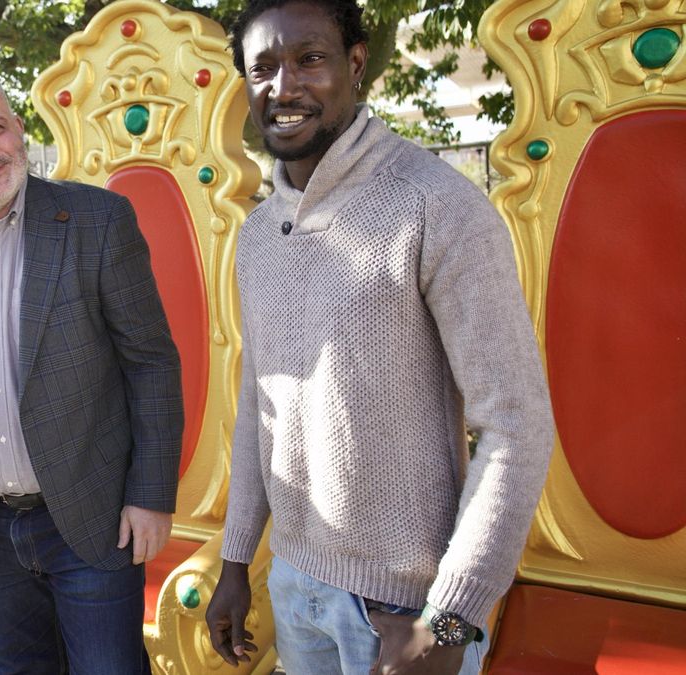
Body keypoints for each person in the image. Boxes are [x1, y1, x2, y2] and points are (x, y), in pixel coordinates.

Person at [204, 2, 556, 674]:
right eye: (264, 68)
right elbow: (260, 402)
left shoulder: (435, 206)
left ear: (355, 64)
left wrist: (452, 619)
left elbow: (516, 424)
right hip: (293, 585)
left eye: (309, 58)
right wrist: (236, 558)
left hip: (404, 611)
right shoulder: (255, 236)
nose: (285, 88)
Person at [0, 66, 183, 674]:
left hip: (94, 517)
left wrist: (151, 495)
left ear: (18, 130)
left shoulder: (98, 221)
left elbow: (150, 363)